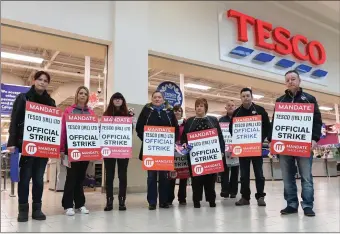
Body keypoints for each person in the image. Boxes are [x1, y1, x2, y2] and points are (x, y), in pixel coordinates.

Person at [268, 70, 322, 217]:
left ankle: (307, 205)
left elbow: (317, 121)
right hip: (285, 146)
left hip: (304, 145)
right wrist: (272, 141)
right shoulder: (280, 101)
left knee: (306, 177)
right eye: (288, 80)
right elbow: (275, 123)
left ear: (299, 81)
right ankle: (291, 204)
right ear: (285, 83)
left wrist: (315, 138)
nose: (291, 81)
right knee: (287, 177)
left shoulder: (309, 99)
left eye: (293, 79)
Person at [7, 71, 56, 222]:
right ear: (34, 81)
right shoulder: (23, 98)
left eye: (45, 80)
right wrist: (12, 143)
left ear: (48, 83)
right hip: (26, 145)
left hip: (43, 147)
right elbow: (14, 120)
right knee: (25, 177)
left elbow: (53, 125)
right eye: (40, 79)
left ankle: (37, 208)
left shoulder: (51, 102)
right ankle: (23, 209)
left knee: (39, 179)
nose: (42, 82)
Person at [136, 91, 179, 210]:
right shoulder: (146, 110)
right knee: (151, 177)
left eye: (159, 97)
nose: (157, 99)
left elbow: (175, 128)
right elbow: (139, 127)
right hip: (150, 150)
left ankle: (164, 201)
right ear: (151, 99)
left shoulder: (169, 112)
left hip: (165, 150)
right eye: (155, 97)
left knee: (164, 177)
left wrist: (171, 141)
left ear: (163, 99)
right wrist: (146, 139)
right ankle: (152, 202)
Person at [229, 88, 271, 207]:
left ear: (252, 97)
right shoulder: (236, 113)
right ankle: (245, 197)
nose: (246, 98)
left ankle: (260, 196)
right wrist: (239, 140)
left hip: (256, 148)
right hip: (243, 149)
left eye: (248, 96)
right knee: (244, 175)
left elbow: (267, 126)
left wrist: (261, 138)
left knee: (259, 174)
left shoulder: (260, 110)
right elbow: (231, 129)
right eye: (243, 96)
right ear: (240, 98)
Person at [181, 98, 225, 208]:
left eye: (201, 106)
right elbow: (184, 137)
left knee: (210, 178)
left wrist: (222, 151)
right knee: (196, 179)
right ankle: (196, 200)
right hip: (194, 156)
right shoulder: (190, 121)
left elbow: (219, 136)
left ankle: (211, 200)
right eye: (197, 106)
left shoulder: (213, 120)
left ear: (205, 107)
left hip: (211, 155)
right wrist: (184, 144)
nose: (199, 108)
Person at [60, 86, 95, 216]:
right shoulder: (69, 111)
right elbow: (63, 130)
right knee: (71, 177)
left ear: (87, 97)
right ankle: (68, 205)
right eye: (80, 93)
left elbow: (93, 133)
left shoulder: (91, 113)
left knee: (80, 178)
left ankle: (80, 204)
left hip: (85, 150)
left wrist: (93, 151)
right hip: (71, 149)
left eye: (85, 94)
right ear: (77, 95)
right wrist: (62, 149)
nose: (82, 95)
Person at [102, 92, 134, 211]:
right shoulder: (106, 115)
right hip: (109, 149)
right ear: (112, 100)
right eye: (115, 98)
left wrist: (131, 121)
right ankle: (109, 200)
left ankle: (122, 200)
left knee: (122, 175)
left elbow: (129, 133)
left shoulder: (128, 116)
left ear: (123, 101)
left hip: (123, 149)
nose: (117, 100)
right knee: (109, 176)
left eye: (120, 98)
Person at [168, 105, 188, 206]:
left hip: (183, 152)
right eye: (175, 111)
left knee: (184, 176)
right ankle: (170, 197)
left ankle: (182, 198)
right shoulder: (169, 122)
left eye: (179, 111)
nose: (177, 112)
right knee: (172, 176)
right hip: (172, 152)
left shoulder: (186, 123)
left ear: (181, 112)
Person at [219, 100, 239, 198]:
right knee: (224, 171)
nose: (230, 107)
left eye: (232, 105)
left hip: (236, 149)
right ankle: (225, 190)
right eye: (228, 105)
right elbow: (218, 135)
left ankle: (233, 191)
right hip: (224, 149)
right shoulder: (221, 120)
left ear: (235, 107)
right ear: (225, 108)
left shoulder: (239, 119)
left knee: (235, 171)